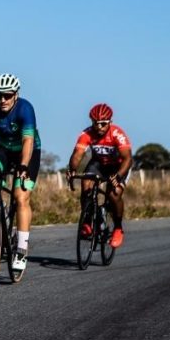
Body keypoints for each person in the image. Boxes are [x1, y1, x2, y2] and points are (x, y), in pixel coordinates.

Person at [0, 73, 41, 272]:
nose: (3, 100)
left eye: (7, 95)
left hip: (26, 151)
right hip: (3, 149)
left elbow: (28, 141)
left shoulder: (25, 108)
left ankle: (21, 249)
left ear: (16, 94)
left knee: (20, 196)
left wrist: (23, 166)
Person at [67, 103, 132, 248]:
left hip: (119, 166)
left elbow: (128, 159)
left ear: (110, 122)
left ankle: (118, 228)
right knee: (86, 185)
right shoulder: (87, 134)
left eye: (103, 124)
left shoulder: (117, 134)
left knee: (114, 193)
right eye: (96, 124)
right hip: (98, 164)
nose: (100, 127)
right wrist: (72, 171)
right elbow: (77, 155)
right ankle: (87, 221)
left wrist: (119, 176)